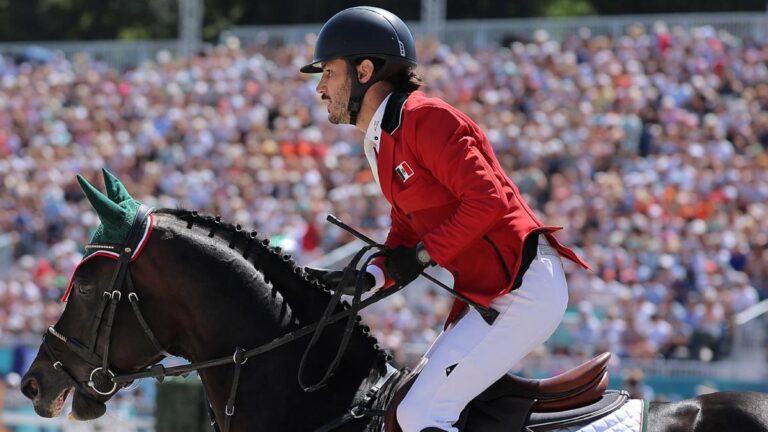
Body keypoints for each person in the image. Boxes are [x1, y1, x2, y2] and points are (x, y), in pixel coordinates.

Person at [301, 6, 589, 432]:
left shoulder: (426, 118)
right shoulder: (382, 141)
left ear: (364, 70)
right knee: (401, 407)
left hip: (523, 288)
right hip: (492, 294)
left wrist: (419, 258)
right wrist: (369, 277)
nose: (320, 87)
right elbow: (406, 232)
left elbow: (486, 201)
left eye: (328, 72)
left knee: (419, 415)